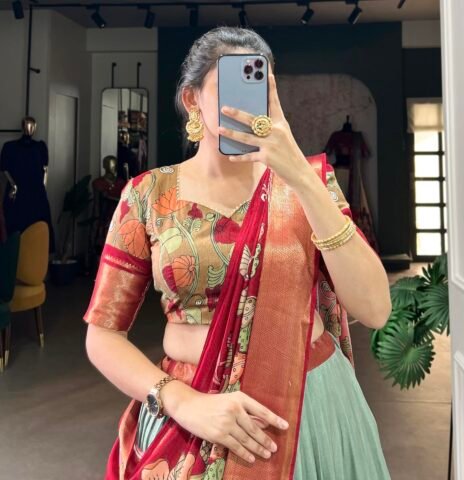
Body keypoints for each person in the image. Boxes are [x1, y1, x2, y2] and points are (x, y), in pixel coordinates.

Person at [83, 26, 392, 480]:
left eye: (258, 88)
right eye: (231, 85)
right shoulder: (148, 195)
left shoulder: (308, 184)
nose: (246, 103)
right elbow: (102, 336)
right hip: (191, 407)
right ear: (191, 100)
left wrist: (299, 177)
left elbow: (375, 308)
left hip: (307, 405)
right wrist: (181, 401)